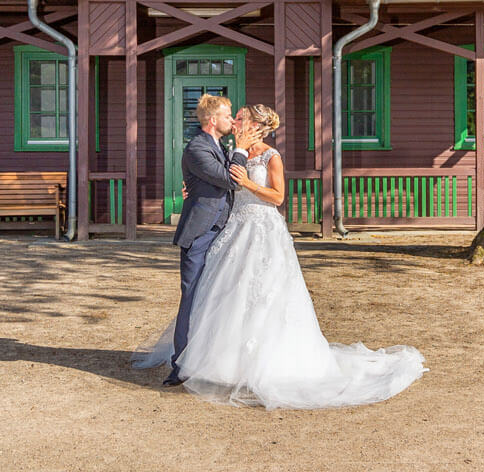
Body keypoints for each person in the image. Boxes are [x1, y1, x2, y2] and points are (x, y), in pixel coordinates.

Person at [135, 103, 426, 409]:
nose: (235, 121)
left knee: (266, 294)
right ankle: (225, 363)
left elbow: (278, 196)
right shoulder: (232, 150)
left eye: (241, 118)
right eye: (234, 117)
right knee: (228, 293)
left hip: (263, 229)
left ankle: (266, 363)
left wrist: (247, 182)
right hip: (234, 227)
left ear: (255, 125)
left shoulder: (271, 156)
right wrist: (192, 190)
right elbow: (216, 178)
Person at [160, 93, 247, 387]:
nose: (232, 120)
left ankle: (208, 358)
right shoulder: (197, 148)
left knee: (216, 297)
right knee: (193, 296)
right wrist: (242, 148)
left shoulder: (217, 145)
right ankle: (180, 365)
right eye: (227, 116)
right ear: (213, 120)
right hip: (199, 234)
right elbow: (231, 179)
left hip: (223, 232)